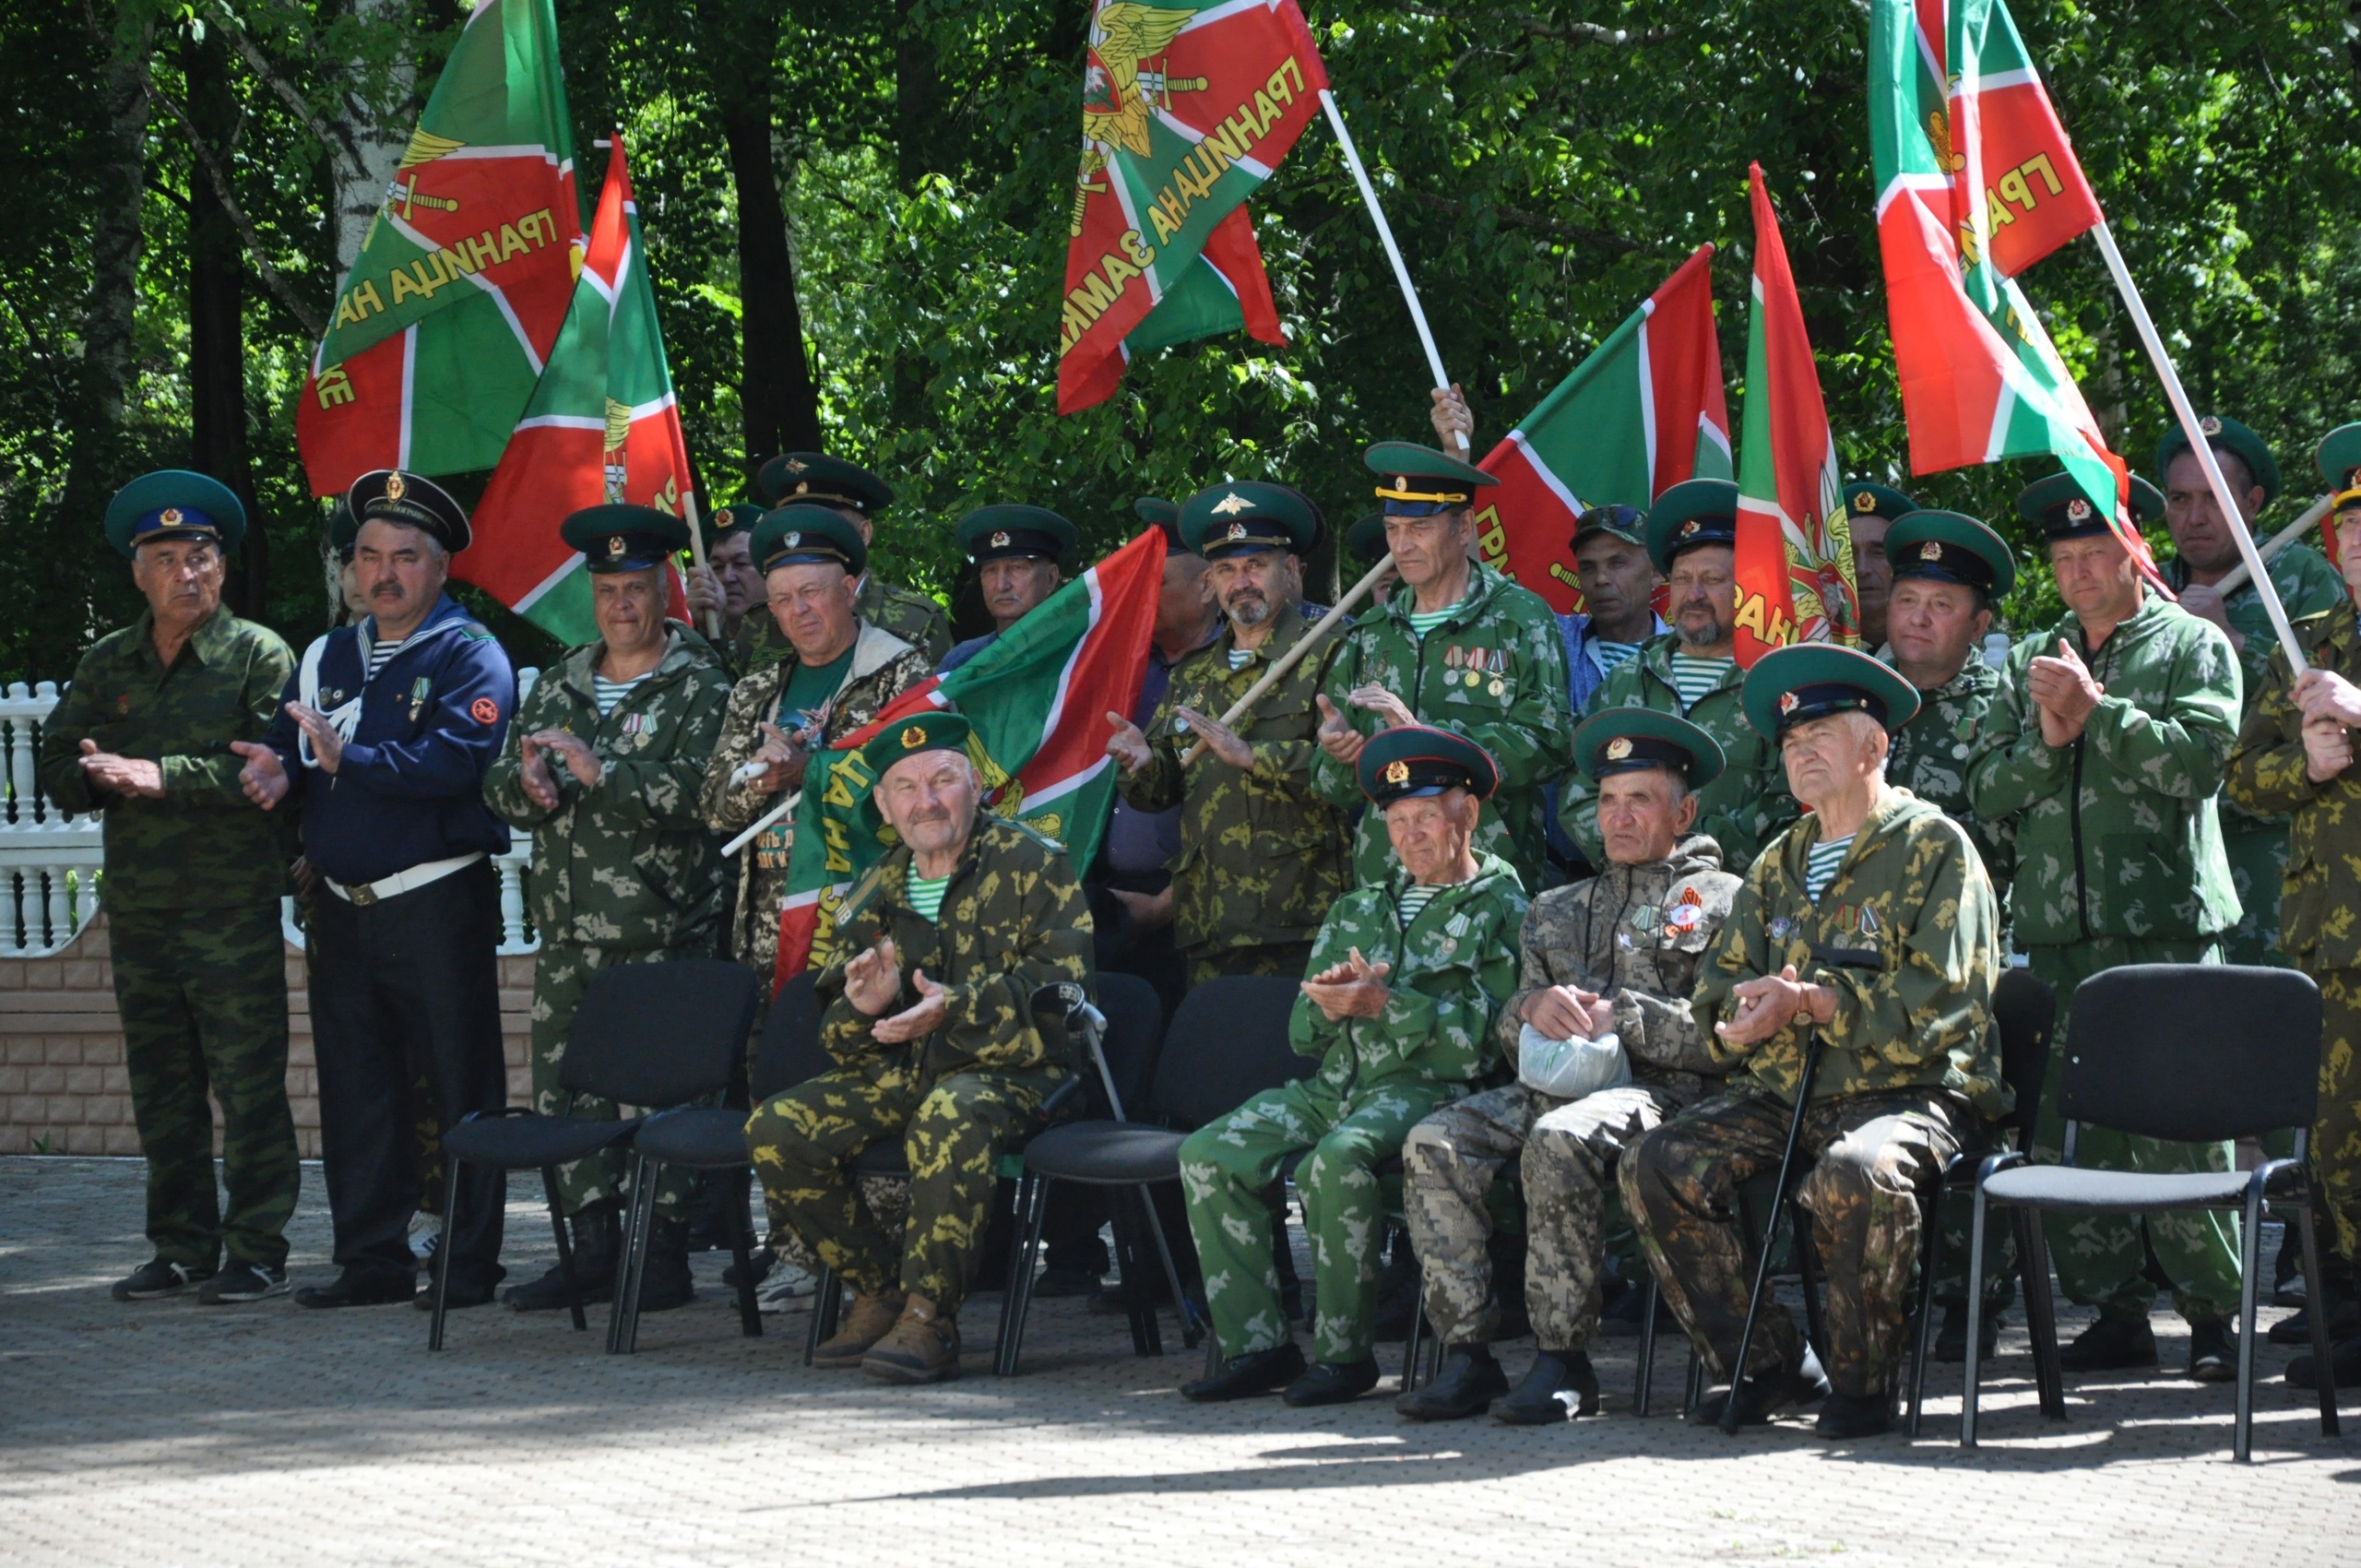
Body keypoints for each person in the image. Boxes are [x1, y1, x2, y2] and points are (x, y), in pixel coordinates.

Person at [1622, 644, 2005, 1439]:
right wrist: (1742, 1019)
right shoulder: (1779, 860)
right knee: (1658, 1162)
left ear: (1875, 747)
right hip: (1793, 1090)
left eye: (1820, 736)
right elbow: (1721, 987)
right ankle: (1768, 1364)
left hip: (1919, 1092)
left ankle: (1863, 1386)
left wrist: (1822, 1002)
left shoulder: (1935, 847)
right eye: (1792, 744)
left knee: (1855, 1172)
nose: (1801, 754)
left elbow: (1948, 998)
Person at [1968, 470, 2248, 1380]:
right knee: (2066, 1130)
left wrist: (2099, 712)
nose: (2080, 573)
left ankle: (2213, 1316)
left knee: (2178, 1128)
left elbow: (2201, 765)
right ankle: (2115, 1309)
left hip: (2164, 924)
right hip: (2055, 929)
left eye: (2096, 554)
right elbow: (1985, 788)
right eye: (2063, 560)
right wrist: (2047, 744)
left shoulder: (2188, 645)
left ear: (2133, 554)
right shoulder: (2030, 662)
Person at [1394, 709, 1738, 1423]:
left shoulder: (1725, 902)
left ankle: (1564, 1360)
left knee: (1560, 1141)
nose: (1618, 817)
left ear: (1686, 810)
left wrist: (1628, 1017)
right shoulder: (1555, 908)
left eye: (1639, 799)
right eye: (1607, 800)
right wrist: (1528, 1010)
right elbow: (1507, 1028)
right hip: (1550, 1089)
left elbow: (1728, 1037)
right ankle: (1467, 1354)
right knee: (1436, 1140)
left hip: (1670, 1095)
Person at [1179, 727, 1525, 1408]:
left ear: (1468, 814)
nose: (1411, 835)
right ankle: (1259, 1346)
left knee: (1333, 1161)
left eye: (1427, 816)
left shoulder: (1504, 909)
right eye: (1397, 821)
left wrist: (1387, 1005)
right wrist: (1333, 1006)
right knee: (1208, 1151)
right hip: (1334, 1084)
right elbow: (1302, 1033)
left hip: (1430, 1091)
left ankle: (1344, 1357)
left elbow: (1488, 1045)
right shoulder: (1357, 907)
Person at [235, 469, 516, 1310]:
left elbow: (455, 765)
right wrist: (281, 775)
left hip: (435, 900)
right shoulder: (326, 653)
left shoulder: (469, 653)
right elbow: (296, 747)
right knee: (358, 1090)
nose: (383, 573)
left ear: (439, 569)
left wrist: (338, 761)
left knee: (461, 1086)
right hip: (343, 913)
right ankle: (372, 1261)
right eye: (368, 556)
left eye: (404, 557)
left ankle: (467, 1266)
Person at [743, 712, 1092, 1384]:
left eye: (942, 780)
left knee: (950, 1112)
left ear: (976, 786)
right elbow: (838, 1035)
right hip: (910, 1066)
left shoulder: (1034, 862)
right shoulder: (879, 880)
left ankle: (930, 1318)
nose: (925, 801)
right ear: (883, 803)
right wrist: (862, 1006)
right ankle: (879, 1291)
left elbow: (1063, 994)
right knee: (776, 1129)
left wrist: (954, 1008)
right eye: (904, 787)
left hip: (1018, 1072)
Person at [35, 471, 300, 1304]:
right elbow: (54, 761)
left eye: (202, 556)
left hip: (230, 909)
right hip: (142, 911)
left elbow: (270, 769)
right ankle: (180, 1245)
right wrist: (91, 773)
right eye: (168, 558)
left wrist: (157, 775)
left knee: (249, 1083)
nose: (188, 573)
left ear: (221, 567)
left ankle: (256, 1247)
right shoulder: (108, 660)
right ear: (138, 573)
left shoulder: (259, 654)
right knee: (162, 1085)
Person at [482, 505, 733, 1313]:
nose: (622, 604)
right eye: (608, 589)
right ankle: (592, 1245)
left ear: (665, 589)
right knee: (565, 1090)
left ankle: (661, 1253)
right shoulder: (558, 680)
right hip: (566, 930)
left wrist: (603, 773)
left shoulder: (703, 681)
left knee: (668, 1093)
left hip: (664, 929)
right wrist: (523, 785)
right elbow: (498, 784)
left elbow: (706, 794)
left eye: (636, 588)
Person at [2225, 422, 2361, 1391]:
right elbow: (2241, 778)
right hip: (2329, 936)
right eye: (2349, 530)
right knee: (2335, 1136)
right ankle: (2345, 1309)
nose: (2358, 546)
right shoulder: (2306, 646)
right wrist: (2304, 763)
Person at [1873, 507, 2022, 1360]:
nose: (1918, 618)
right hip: (1859, 956)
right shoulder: (1853, 702)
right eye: (1907, 598)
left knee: (1968, 1116)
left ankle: (1974, 1297)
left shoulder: (2003, 706)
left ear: (1980, 623)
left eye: (1941, 603)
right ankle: (1884, 1289)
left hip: (1963, 959)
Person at [1107, 481, 1350, 988]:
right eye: (1226, 570)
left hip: (1302, 916)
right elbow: (1162, 790)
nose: (1242, 582)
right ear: (1212, 582)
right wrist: (1141, 765)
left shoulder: (1333, 652)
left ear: (1288, 570)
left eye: (1255, 565)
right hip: (1209, 923)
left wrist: (1252, 756)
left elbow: (1353, 776)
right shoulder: (1192, 674)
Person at [1312, 443, 1574, 889]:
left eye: (1419, 528)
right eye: (1393, 529)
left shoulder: (1520, 618)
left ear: (1464, 527)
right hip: (1388, 884)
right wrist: (1339, 755)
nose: (1402, 545)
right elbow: (1329, 786)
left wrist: (1430, 743)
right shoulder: (1370, 633)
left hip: (1488, 878)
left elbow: (1551, 742)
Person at [700, 506, 934, 988]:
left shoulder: (901, 673)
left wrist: (809, 771)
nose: (798, 610)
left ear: (849, 590)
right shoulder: (757, 689)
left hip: (870, 922)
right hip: (769, 933)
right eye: (783, 599)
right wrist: (757, 780)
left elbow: (926, 798)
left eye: (811, 593)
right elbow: (714, 809)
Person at [2158, 415, 2346, 970]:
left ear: (2254, 500)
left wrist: (2231, 638)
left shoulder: (2300, 576)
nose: (2194, 517)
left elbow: (2331, 696)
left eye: (2214, 498)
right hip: (2173, 840)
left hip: (2271, 841)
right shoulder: (2150, 586)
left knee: (2275, 1013)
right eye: (2179, 498)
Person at [1559, 479, 1797, 873]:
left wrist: (1688, 856)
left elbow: (1787, 806)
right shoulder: (1626, 680)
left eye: (1714, 580)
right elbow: (1577, 789)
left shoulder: (1774, 687)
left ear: (1748, 586)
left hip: (1737, 902)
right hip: (1629, 896)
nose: (1695, 594)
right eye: (1683, 579)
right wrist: (1632, 854)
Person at [1090, 496, 1220, 1014]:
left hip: (1192, 904)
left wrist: (1169, 905)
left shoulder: (1243, 668)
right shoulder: (1114, 663)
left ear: (1207, 585)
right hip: (1106, 898)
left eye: (1157, 583)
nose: (1142, 598)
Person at [740, 454, 953, 668]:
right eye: (794, 524)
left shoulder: (916, 620)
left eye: (828, 526)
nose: (808, 539)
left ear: (864, 534)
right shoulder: (760, 624)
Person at [939, 506, 1077, 672]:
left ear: (1050, 578)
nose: (1001, 585)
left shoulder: (1080, 654)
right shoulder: (962, 663)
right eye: (991, 570)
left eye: (1017, 568)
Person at [681, 502, 767, 665]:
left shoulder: (796, 636)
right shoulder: (684, 652)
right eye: (718, 567)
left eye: (741, 563)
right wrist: (708, 631)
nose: (728, 577)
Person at [1842, 481, 1919, 655]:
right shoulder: (1809, 647)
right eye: (1848, 554)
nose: (1861, 569)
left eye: (1879, 553)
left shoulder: (1940, 657)